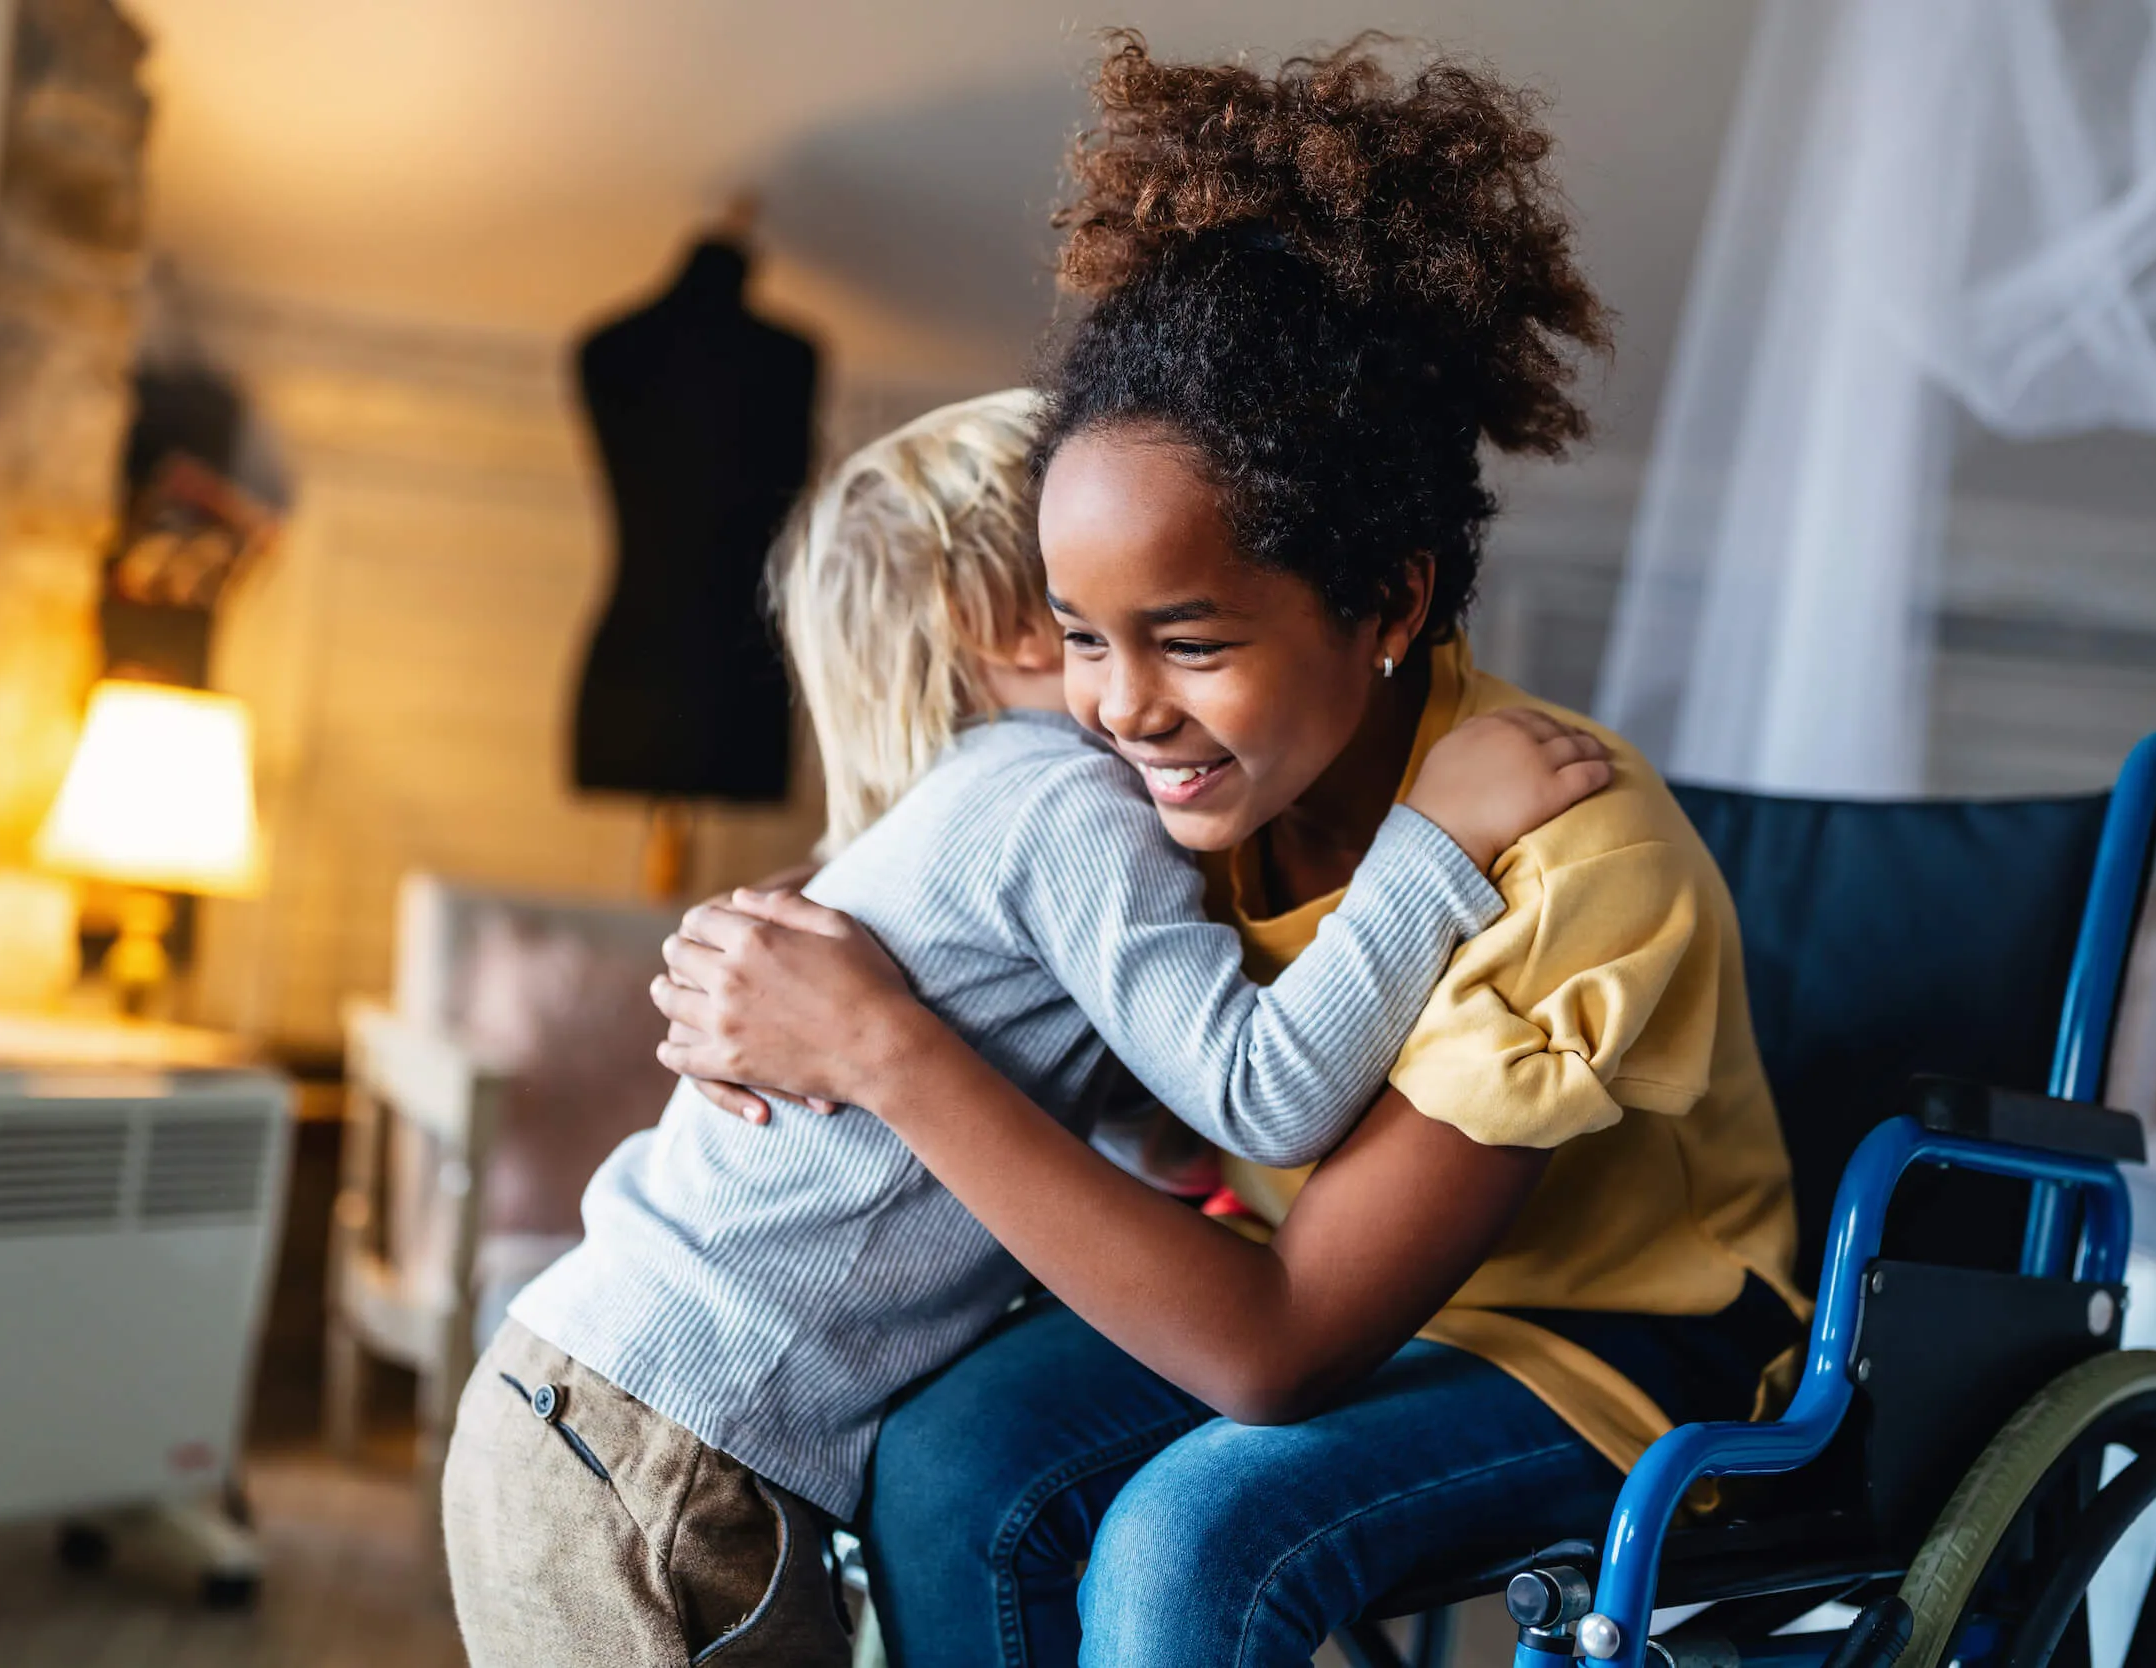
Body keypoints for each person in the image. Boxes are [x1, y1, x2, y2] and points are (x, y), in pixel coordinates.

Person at [651, 33, 1807, 1668]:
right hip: (1294, 1259)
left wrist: (884, 1046)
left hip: (1604, 1342)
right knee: (950, 1457)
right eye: (1080, 638)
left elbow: (1278, 1354)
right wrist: (767, 965)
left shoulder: (1577, 865)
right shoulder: (1147, 797)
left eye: (1190, 641)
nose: (1124, 708)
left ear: (1391, 601)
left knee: (1188, 1539)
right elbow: (959, 911)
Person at [438, 390, 1610, 1668]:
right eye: (1090, 617)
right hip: (655, 1450)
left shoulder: (978, 802)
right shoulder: (1066, 801)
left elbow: (1147, 1135)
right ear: (1009, 616)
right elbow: (1264, 1094)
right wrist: (1433, 843)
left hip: (593, 1408)